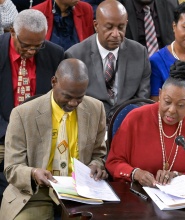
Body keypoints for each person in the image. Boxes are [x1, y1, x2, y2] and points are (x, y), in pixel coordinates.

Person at [0, 58, 108, 220]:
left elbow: (99, 153)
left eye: (80, 97)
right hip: (34, 192)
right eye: (67, 96)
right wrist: (34, 173)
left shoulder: (96, 108)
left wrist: (96, 165)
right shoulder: (22, 114)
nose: (73, 103)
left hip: (79, 191)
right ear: (54, 82)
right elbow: (12, 168)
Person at [106, 60, 185, 187]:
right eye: (167, 101)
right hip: (137, 195)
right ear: (160, 94)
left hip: (180, 200)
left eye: (180, 105)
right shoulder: (135, 118)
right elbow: (113, 162)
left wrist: (177, 176)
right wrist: (135, 173)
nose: (172, 110)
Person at [0, 8, 64, 204]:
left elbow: (59, 102)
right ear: (12, 32)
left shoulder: (55, 54)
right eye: (26, 45)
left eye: (38, 46)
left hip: (40, 139)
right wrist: (7, 136)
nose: (31, 51)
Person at [65, 0, 150, 122]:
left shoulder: (140, 53)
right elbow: (72, 102)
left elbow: (142, 99)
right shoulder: (75, 55)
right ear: (96, 25)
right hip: (89, 124)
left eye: (121, 27)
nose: (116, 34)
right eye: (109, 27)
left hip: (127, 123)